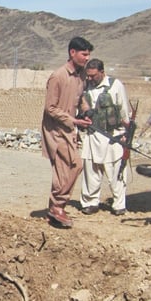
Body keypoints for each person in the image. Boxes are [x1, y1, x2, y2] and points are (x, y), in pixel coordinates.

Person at [41, 36, 94, 228]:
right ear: (72, 53)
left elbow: (80, 99)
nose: (87, 58)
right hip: (56, 130)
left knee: (64, 170)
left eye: (88, 54)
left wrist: (86, 112)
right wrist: (73, 120)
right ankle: (57, 206)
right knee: (75, 165)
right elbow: (51, 108)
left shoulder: (81, 76)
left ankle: (54, 211)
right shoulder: (58, 76)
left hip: (70, 129)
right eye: (84, 54)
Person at [79, 59, 130, 216]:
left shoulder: (115, 85)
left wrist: (125, 134)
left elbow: (123, 110)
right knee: (91, 171)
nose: (90, 79)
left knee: (116, 171)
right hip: (92, 136)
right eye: (88, 76)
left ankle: (119, 204)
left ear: (102, 72)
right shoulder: (85, 88)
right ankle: (91, 202)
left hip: (112, 136)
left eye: (93, 76)